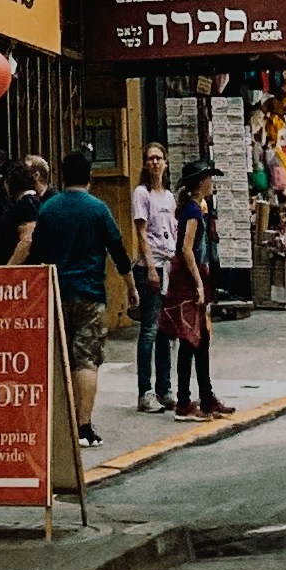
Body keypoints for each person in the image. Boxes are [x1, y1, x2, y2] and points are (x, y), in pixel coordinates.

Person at [23, 143, 134, 447]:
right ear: (90, 177)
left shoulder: (48, 209)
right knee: (86, 360)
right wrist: (131, 288)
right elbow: (119, 252)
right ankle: (83, 426)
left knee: (58, 360)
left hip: (55, 293)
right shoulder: (99, 209)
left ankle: (57, 426)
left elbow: (37, 253)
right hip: (90, 295)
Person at [162, 160, 227, 417]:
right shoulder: (191, 211)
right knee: (190, 339)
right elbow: (186, 249)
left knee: (201, 339)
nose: (212, 183)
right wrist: (199, 283)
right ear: (201, 182)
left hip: (194, 276)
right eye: (209, 178)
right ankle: (183, 402)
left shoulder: (196, 208)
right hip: (189, 279)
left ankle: (206, 396)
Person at [130, 142, 177, 407]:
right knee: (149, 329)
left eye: (159, 158)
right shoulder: (142, 193)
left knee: (164, 331)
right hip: (152, 266)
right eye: (150, 158)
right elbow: (142, 233)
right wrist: (150, 268)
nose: (155, 163)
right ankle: (145, 391)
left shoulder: (168, 197)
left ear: (166, 162)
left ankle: (164, 388)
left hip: (168, 265)